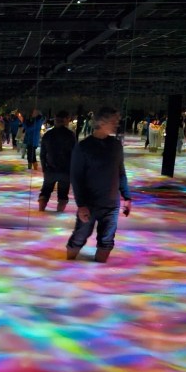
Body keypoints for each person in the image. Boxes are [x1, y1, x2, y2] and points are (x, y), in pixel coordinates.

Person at [66, 106, 132, 263]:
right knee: (80, 236)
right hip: (90, 203)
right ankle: (68, 267)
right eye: (113, 121)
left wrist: (126, 196)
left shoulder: (116, 145)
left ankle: (99, 271)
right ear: (101, 122)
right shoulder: (83, 147)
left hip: (111, 203)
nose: (116, 124)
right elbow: (76, 177)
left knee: (107, 240)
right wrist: (81, 205)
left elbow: (120, 172)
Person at [38, 111, 75, 211]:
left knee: (45, 191)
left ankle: (41, 211)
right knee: (63, 194)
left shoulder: (48, 134)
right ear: (66, 120)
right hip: (65, 170)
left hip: (50, 168)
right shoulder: (70, 135)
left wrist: (44, 168)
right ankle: (59, 213)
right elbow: (74, 153)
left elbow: (42, 154)